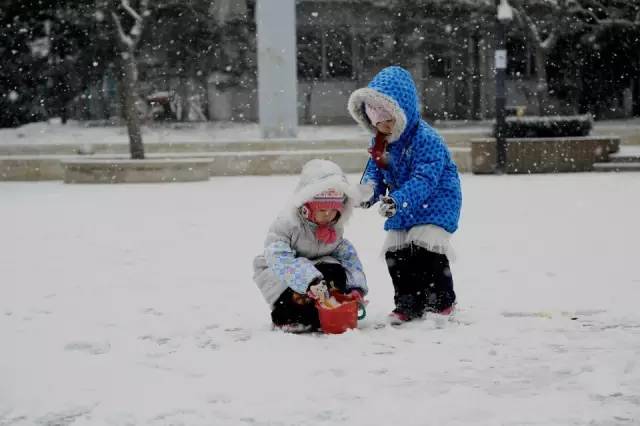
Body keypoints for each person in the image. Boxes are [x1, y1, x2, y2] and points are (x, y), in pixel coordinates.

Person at [347, 65, 462, 324]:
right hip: (400, 204)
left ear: (403, 113)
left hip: (437, 201)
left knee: (425, 247)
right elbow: (375, 174)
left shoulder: (426, 140)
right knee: (396, 252)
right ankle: (408, 301)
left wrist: (398, 200)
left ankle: (442, 300)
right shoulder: (380, 142)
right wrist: (367, 193)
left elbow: (425, 179)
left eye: (389, 121)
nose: (384, 127)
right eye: (378, 123)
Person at [253, 159, 368, 332]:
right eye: (322, 210)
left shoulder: (335, 230)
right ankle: (286, 316)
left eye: (333, 210)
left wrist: (355, 287)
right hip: (280, 273)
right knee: (299, 292)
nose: (328, 215)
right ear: (306, 208)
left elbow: (349, 258)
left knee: (334, 271)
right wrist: (309, 281)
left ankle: (321, 313)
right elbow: (278, 257)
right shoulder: (287, 224)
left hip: (316, 276)